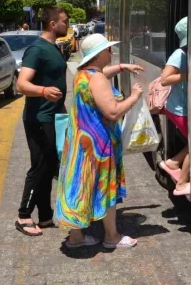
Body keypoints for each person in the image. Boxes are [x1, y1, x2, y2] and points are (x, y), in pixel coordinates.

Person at [54, 33, 144, 249]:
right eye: (107, 50)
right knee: (105, 187)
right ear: (99, 54)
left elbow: (101, 74)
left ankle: (76, 237)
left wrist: (122, 67)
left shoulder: (83, 74)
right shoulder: (98, 79)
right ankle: (111, 237)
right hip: (99, 145)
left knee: (79, 184)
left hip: (79, 142)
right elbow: (112, 112)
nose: (110, 53)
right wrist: (134, 96)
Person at [14, 6, 70, 236]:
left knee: (49, 166)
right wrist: (44, 90)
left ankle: (45, 216)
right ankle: (23, 215)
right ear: (52, 24)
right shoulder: (37, 49)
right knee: (40, 166)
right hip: (39, 118)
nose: (68, 24)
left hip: (53, 116)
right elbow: (21, 84)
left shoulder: (53, 47)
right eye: (65, 21)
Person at [158, 17, 190, 196]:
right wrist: (186, 75)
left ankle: (172, 163)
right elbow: (165, 79)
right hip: (179, 108)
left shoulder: (189, 52)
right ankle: (182, 183)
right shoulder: (179, 54)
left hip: (182, 107)